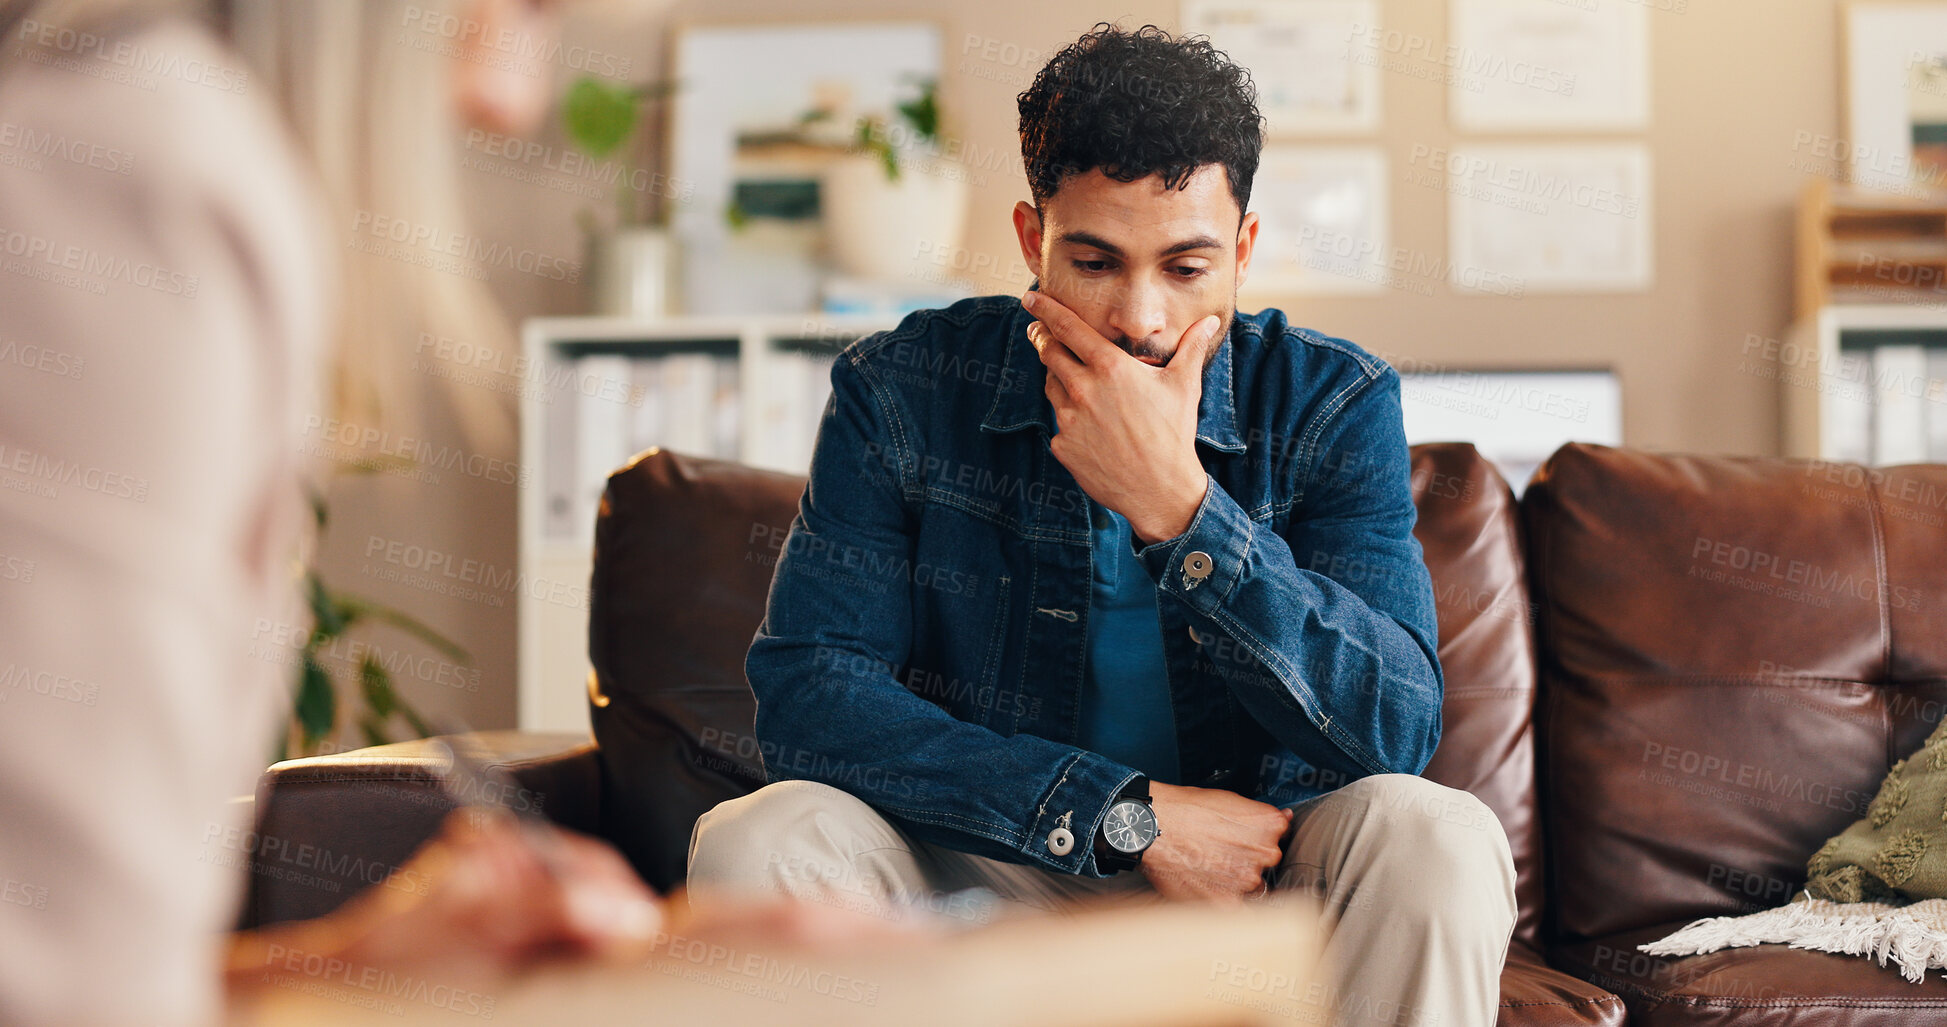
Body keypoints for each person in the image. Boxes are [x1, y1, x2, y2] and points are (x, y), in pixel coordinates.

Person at [0, 1, 886, 1023]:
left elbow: (95, 970)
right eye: (527, 6)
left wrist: (366, 960)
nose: (509, 102)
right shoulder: (141, 180)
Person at [687, 23, 1518, 1026]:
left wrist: (1183, 510)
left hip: (1259, 891)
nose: (1141, 319)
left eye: (1186, 268)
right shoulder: (902, 389)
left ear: (1244, 253)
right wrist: (1118, 813)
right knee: (757, 836)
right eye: (1094, 261)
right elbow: (813, 700)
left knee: (1436, 831)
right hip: (992, 882)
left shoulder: (1331, 401)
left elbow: (1397, 725)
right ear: (1032, 241)